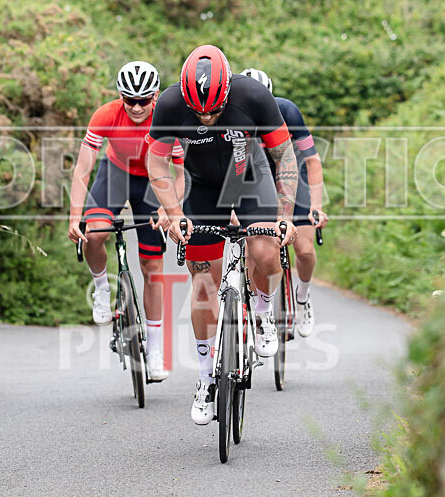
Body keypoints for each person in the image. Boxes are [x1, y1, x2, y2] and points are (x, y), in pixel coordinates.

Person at [146, 45, 299, 424]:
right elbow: (156, 161)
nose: (206, 116)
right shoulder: (168, 104)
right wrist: (174, 212)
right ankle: (204, 379)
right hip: (203, 189)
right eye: (198, 111)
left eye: (214, 109)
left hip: (251, 181)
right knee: (203, 285)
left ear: (228, 90)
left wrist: (285, 216)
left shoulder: (253, 96)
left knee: (265, 254)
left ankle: (262, 311)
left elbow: (284, 157)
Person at [68, 61, 184, 382]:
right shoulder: (105, 115)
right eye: (128, 100)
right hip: (116, 173)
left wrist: (169, 211)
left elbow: (182, 174)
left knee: (152, 268)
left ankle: (156, 351)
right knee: (95, 233)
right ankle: (102, 288)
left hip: (153, 180)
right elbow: (82, 169)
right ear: (120, 96)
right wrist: (74, 215)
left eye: (143, 101)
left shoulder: (168, 120)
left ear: (155, 97)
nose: (135, 107)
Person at [241, 68, 329, 337]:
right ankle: (254, 310)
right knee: (253, 249)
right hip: (255, 175)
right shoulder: (234, 117)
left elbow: (312, 161)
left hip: (292, 171)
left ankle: (302, 296)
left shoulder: (287, 111)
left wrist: (315, 206)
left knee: (303, 249)